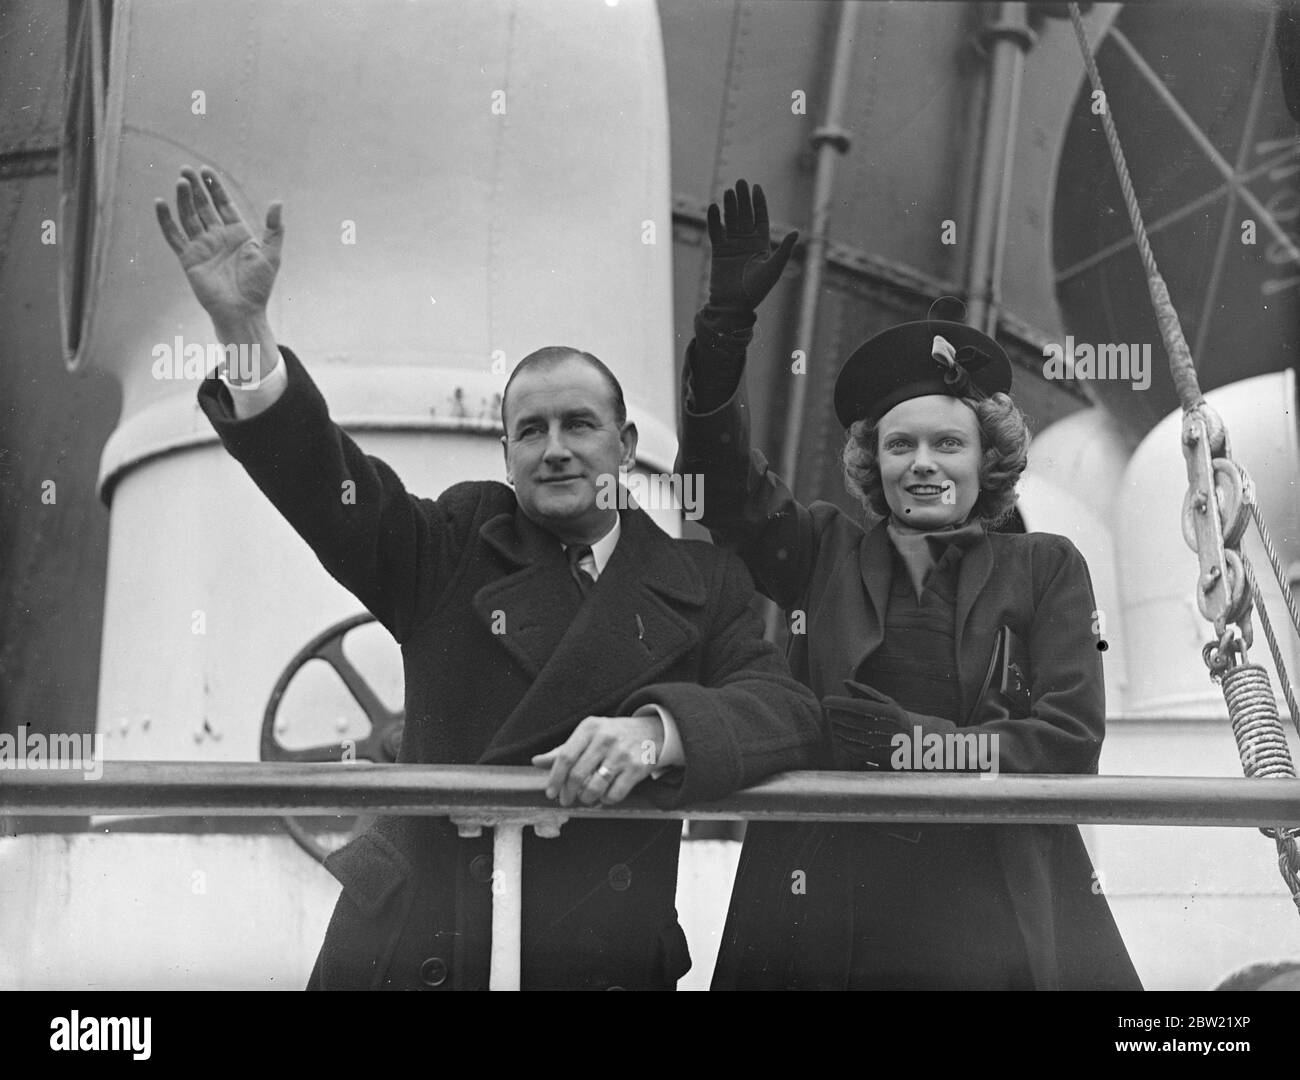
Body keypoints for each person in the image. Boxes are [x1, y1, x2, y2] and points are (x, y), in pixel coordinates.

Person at [154, 166, 824, 990]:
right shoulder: (456, 540)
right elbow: (331, 493)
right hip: (415, 949)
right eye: (529, 430)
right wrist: (247, 331)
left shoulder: (702, 579)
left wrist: (657, 734)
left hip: (598, 960)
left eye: (580, 424)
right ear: (506, 456)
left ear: (623, 445)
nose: (555, 448)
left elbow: (786, 711)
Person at [678, 180, 1142, 990]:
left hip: (989, 907)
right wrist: (724, 330)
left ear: (985, 459)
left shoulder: (1047, 567)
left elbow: (1067, 743)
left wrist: (911, 745)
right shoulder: (822, 551)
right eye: (899, 447)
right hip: (826, 906)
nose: (922, 464)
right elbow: (717, 491)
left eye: (945, 445)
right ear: (873, 463)